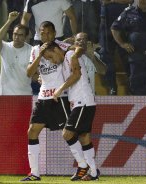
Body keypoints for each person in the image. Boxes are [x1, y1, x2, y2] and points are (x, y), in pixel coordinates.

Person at [20, 21, 71, 181]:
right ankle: (34, 173)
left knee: (71, 133)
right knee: (32, 132)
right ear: (38, 34)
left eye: (49, 33)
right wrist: (40, 55)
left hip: (59, 96)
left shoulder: (62, 46)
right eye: (43, 33)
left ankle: (87, 167)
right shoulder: (35, 50)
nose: (46, 36)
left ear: (54, 33)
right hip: (43, 98)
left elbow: (74, 55)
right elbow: (29, 73)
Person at [42, 41, 100, 181]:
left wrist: (60, 89)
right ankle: (93, 172)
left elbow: (76, 75)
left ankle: (82, 165)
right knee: (84, 137)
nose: (52, 61)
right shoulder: (66, 60)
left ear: (56, 50)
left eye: (50, 57)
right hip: (81, 102)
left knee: (67, 133)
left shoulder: (69, 55)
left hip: (83, 101)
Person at [111, 0, 146, 95]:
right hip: (136, 57)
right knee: (136, 87)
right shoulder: (128, 12)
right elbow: (114, 28)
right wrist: (122, 44)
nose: (143, 1)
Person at [0, 11, 32, 95]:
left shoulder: (31, 50)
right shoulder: (5, 47)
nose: (17, 37)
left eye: (20, 35)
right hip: (4, 94)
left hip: (25, 95)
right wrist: (9, 20)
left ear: (26, 37)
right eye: (15, 34)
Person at [99, 0, 133, 95]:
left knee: (127, 54)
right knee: (105, 55)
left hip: (123, 21)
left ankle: (131, 85)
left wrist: (112, 0)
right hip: (105, 22)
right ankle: (112, 86)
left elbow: (130, 0)